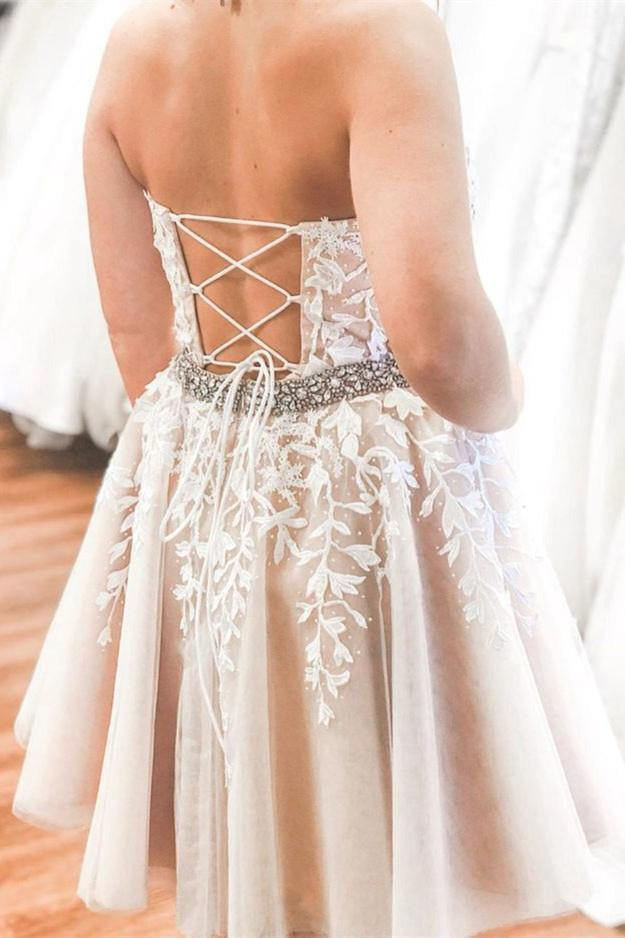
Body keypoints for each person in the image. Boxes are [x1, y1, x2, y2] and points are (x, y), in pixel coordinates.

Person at [12, 2, 625, 936]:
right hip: (364, 485)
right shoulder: (380, 31)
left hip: (201, 470)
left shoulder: (136, 43)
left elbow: (138, 339)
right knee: (373, 803)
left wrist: (226, 457)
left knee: (260, 795)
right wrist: (506, 398)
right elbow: (436, 342)